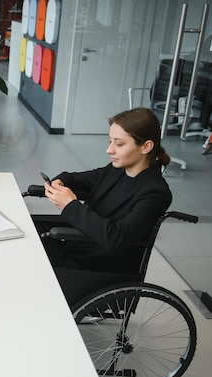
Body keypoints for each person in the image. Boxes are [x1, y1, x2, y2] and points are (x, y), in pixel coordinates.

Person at [33, 107, 172, 305]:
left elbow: (117, 238)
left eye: (119, 143)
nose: (109, 150)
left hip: (99, 263)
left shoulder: (155, 192)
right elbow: (79, 179)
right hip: (81, 244)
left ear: (146, 147)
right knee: (27, 232)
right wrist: (60, 181)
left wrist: (70, 205)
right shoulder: (117, 170)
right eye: (110, 141)